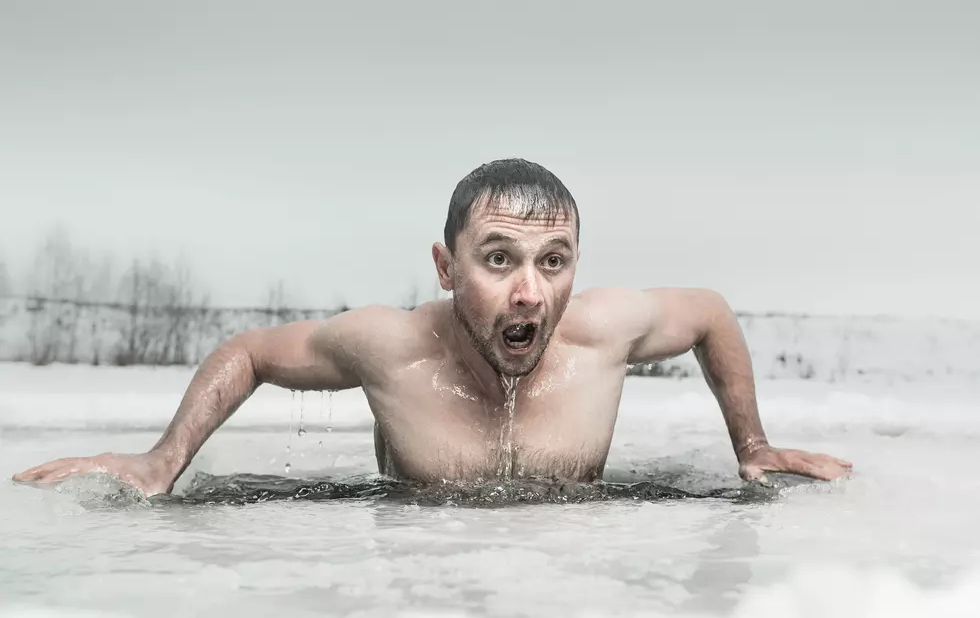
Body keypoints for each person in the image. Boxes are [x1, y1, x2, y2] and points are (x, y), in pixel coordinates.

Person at [12, 158, 852, 496]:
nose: (529, 291)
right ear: (447, 268)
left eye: (553, 261)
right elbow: (251, 353)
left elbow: (708, 310)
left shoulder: (602, 333)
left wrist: (754, 444)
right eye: (498, 259)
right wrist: (164, 461)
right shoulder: (394, 348)